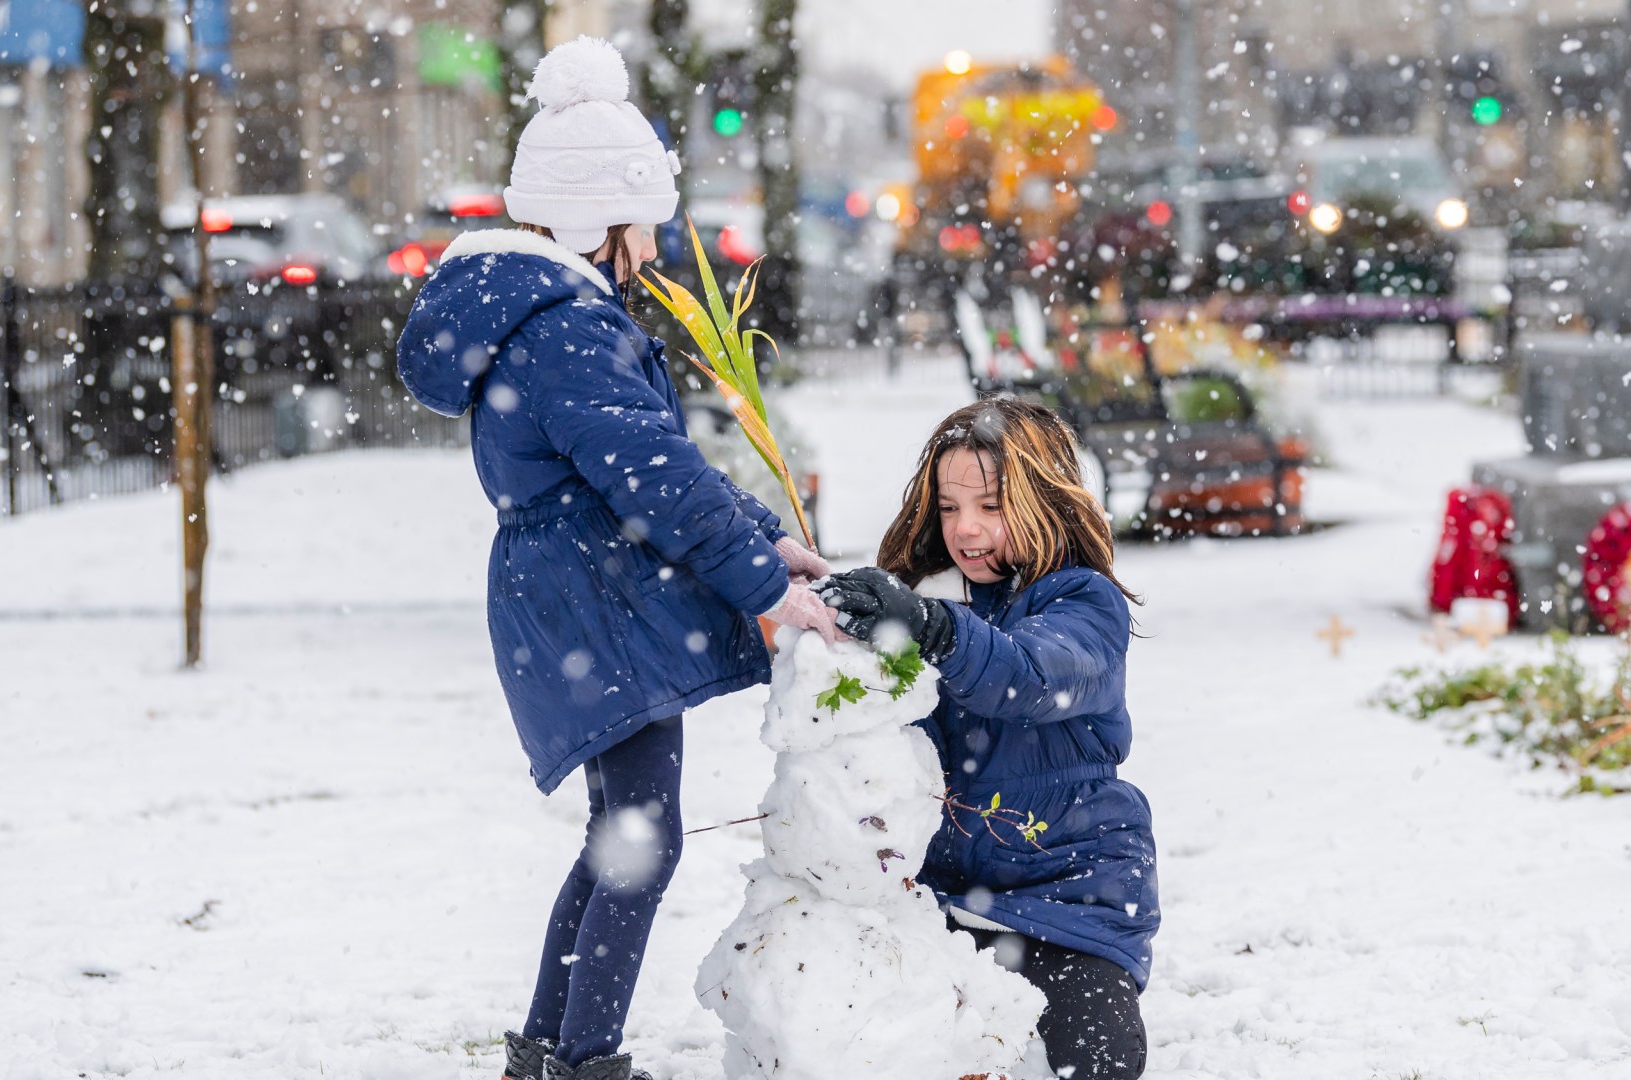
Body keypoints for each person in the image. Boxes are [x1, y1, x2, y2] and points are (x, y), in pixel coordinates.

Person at [395, 37, 839, 1080]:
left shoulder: (557, 317)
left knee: (627, 833)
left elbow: (662, 456)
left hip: (582, 591)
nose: (653, 249)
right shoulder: (566, 331)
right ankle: (578, 1057)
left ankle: (554, 1053)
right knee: (639, 837)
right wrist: (766, 589)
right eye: (643, 224)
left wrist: (761, 531)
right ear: (598, 219)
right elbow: (657, 482)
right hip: (589, 597)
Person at [816, 398, 1158, 1080]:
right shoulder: (922, 599)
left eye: (991, 505)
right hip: (938, 901)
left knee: (1095, 1061)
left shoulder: (1084, 603)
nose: (965, 528)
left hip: (1069, 903)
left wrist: (936, 628)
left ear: (1045, 501)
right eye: (948, 507)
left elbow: (1027, 675)